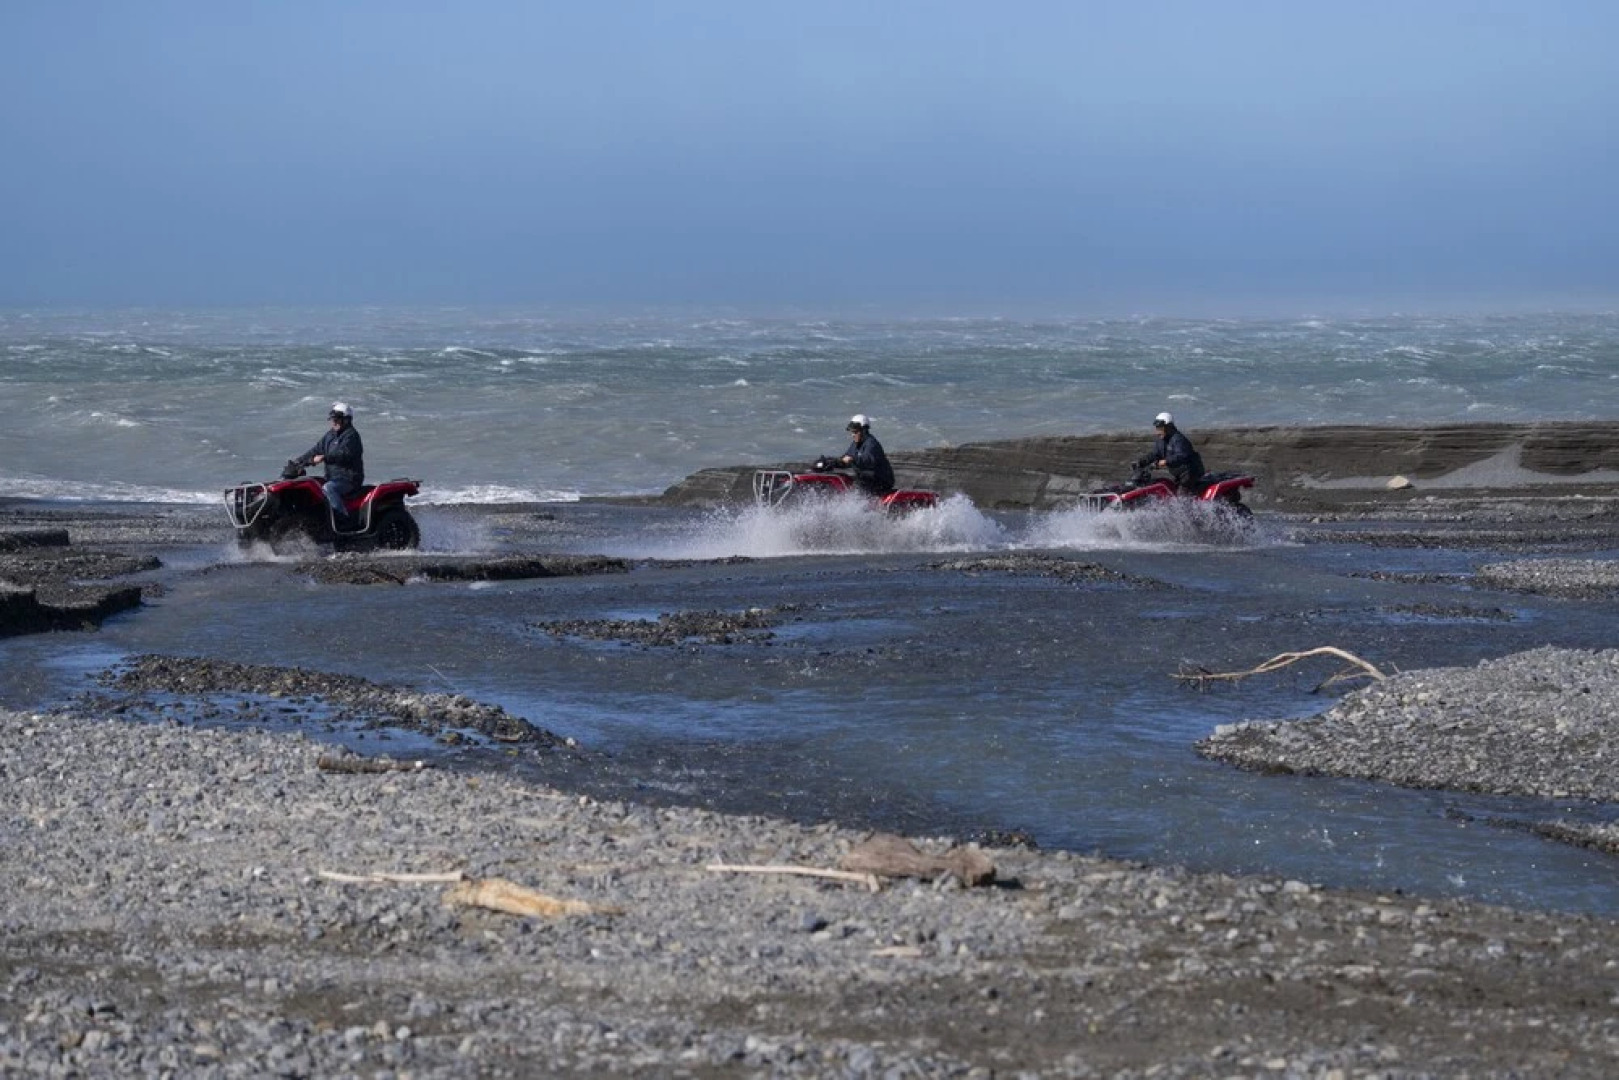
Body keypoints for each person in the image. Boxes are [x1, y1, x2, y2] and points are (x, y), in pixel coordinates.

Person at [295, 402, 365, 528]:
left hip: (349, 479)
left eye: (337, 419)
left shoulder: (351, 436)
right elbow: (315, 450)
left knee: (329, 488)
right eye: (333, 419)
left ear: (346, 420)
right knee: (311, 484)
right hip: (332, 477)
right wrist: (298, 462)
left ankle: (343, 520)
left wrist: (325, 457)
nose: (334, 422)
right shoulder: (330, 435)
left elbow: (344, 454)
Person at [1135, 411, 1205, 489]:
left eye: (1160, 428)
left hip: (1190, 473)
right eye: (1157, 429)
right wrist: (1142, 462)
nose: (1157, 432)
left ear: (1169, 427)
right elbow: (1155, 454)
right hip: (1179, 474)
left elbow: (1182, 456)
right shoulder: (1161, 440)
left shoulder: (1178, 439)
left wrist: (1166, 461)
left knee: (1180, 495)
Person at [834, 414, 896, 498]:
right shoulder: (856, 444)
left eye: (855, 432)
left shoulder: (871, 444)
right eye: (852, 432)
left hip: (881, 481)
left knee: (857, 483)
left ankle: (859, 502)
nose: (852, 435)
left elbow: (868, 460)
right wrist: (833, 462)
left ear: (864, 431)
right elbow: (846, 457)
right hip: (867, 478)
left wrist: (853, 459)